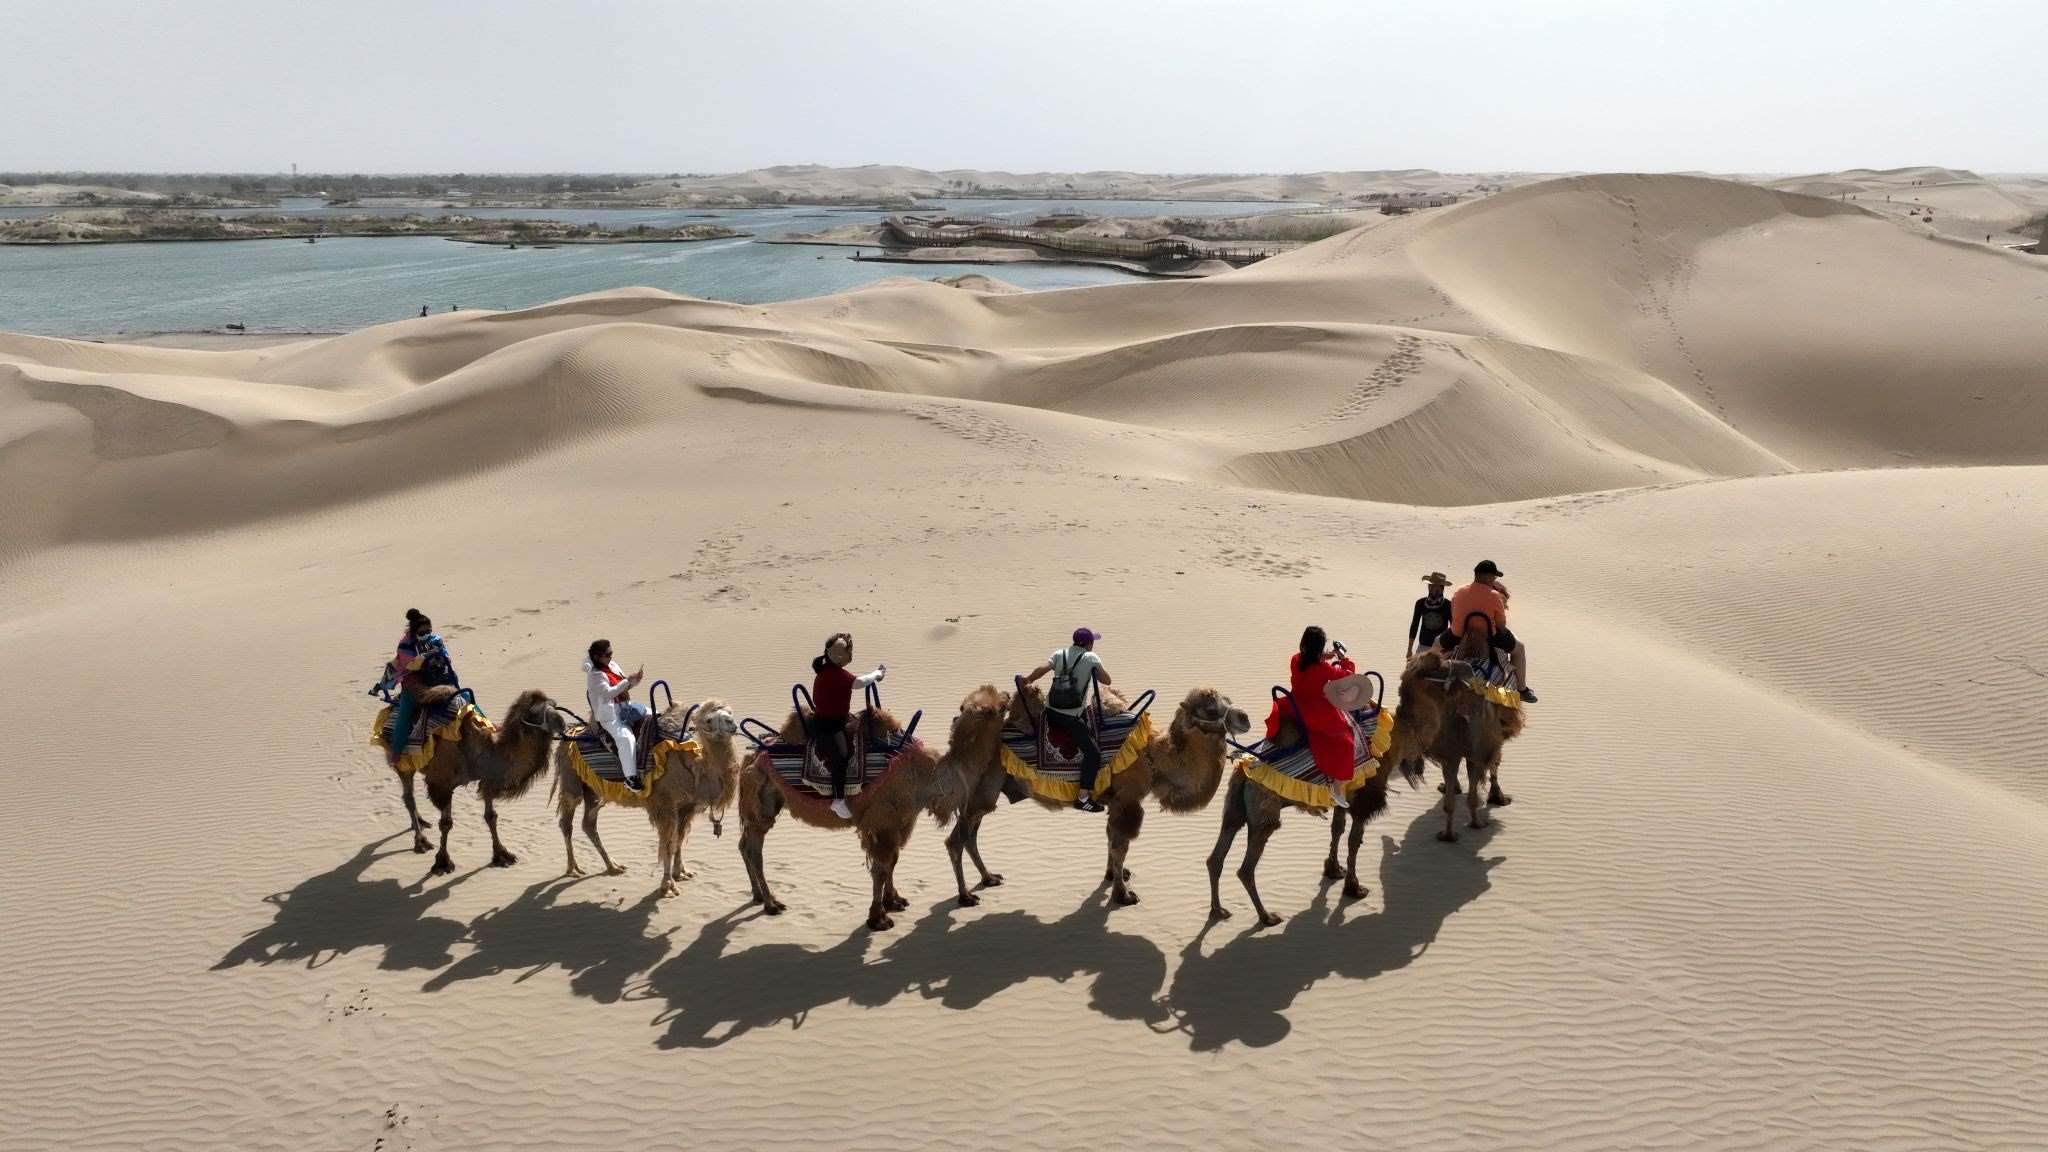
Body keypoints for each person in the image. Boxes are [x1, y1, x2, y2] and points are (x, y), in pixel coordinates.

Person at [1265, 626, 1377, 808]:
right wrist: (1344, 659)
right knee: (1347, 740)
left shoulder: (1296, 659)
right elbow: (1347, 675)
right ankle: (1337, 788)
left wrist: (1325, 656)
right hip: (1315, 711)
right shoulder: (1323, 669)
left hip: (1294, 704)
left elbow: (1309, 662)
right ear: (1318, 648)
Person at [1020, 628, 1113, 813]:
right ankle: (1083, 798)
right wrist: (1093, 667)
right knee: (1093, 753)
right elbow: (1107, 680)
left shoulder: (1059, 653)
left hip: (1051, 712)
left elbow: (1042, 669)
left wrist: (1028, 679)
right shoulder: (1091, 658)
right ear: (1089, 644)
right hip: (1070, 717)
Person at [1436, 560, 1537, 703]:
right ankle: (1522, 690)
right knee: (1519, 649)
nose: (1494, 580)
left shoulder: (1459, 591)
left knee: (1436, 644)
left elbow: (1454, 615)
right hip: (1490, 637)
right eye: (1493, 577)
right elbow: (1501, 625)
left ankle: (1430, 674)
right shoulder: (1494, 596)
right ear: (1488, 577)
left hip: (1458, 635)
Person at [810, 633, 886, 819]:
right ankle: (838, 800)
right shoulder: (835, 674)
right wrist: (877, 674)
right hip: (829, 726)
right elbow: (859, 682)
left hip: (837, 720)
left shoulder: (827, 670)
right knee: (842, 755)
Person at [381, 608, 457, 767]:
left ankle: (485, 723)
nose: (427, 634)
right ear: (414, 632)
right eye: (423, 632)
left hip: (437, 678)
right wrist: (424, 658)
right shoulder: (406, 644)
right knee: (405, 715)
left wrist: (440, 658)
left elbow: (445, 656)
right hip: (414, 682)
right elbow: (410, 665)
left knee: (464, 698)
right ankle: (396, 751)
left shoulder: (435, 640)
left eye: (429, 630)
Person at [583, 639, 646, 786]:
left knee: (654, 715)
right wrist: (627, 681)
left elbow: (624, 687)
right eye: (607, 654)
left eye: (611, 653)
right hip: (610, 716)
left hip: (626, 707)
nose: (611, 657)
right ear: (597, 657)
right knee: (626, 739)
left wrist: (635, 681)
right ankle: (630, 778)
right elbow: (609, 693)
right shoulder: (594, 675)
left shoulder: (613, 666)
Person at [1408, 572, 1453, 655]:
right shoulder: (1420, 603)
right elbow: (1414, 625)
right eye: (1430, 585)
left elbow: (1453, 627)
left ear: (1442, 588)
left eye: (1435, 586)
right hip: (1423, 646)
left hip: (1441, 648)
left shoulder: (1448, 605)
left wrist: (1451, 648)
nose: (1431, 588)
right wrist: (1409, 649)